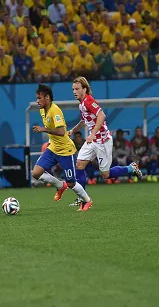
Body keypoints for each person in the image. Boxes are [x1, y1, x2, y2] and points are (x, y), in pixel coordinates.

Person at [67, 77, 142, 202]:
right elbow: (84, 121)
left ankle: (131, 168)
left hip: (102, 141)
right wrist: (73, 131)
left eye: (77, 89)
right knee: (79, 164)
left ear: (84, 89)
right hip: (92, 141)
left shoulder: (89, 101)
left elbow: (102, 116)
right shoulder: (81, 104)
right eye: (73, 89)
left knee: (105, 175)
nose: (74, 91)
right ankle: (82, 198)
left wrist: (92, 134)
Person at [31, 83, 93, 211]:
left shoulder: (55, 110)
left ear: (47, 98)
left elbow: (61, 131)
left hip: (65, 151)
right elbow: (53, 131)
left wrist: (43, 129)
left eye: (39, 98)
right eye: (36, 98)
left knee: (71, 183)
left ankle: (87, 200)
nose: (37, 101)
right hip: (53, 148)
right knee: (36, 173)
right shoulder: (43, 110)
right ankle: (60, 185)